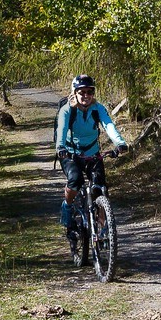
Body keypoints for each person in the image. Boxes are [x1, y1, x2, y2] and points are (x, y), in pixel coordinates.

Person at [57, 74, 128, 250]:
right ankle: (67, 207)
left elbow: (109, 125)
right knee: (75, 180)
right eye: (82, 92)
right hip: (70, 154)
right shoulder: (67, 110)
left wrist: (119, 143)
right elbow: (61, 130)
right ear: (75, 93)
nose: (86, 95)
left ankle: (103, 229)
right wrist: (60, 148)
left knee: (100, 188)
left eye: (89, 92)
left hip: (92, 154)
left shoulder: (98, 109)